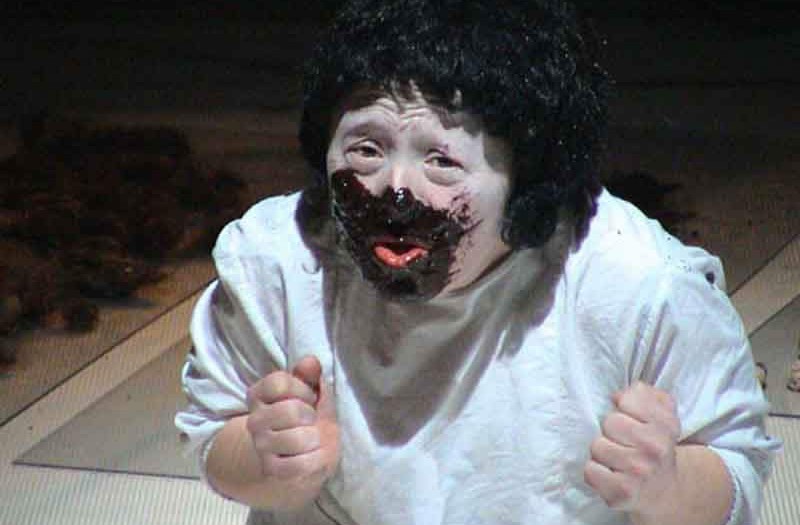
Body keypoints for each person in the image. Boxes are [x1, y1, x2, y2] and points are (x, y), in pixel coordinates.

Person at [175, 1, 780, 524]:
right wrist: (268, 464)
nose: (396, 190)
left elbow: (738, 470)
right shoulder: (278, 261)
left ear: (528, 180)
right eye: (366, 149)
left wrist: (666, 485)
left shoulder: (637, 285)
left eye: (441, 160)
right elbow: (211, 432)